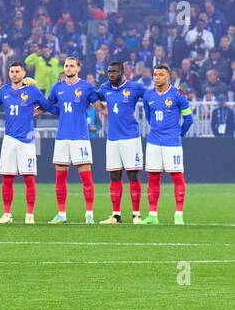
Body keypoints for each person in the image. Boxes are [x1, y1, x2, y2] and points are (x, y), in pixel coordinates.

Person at [0, 62, 55, 224]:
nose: (14, 74)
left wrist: (38, 111)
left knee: (29, 177)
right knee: (7, 178)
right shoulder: (4, 90)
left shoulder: (32, 90)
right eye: (11, 71)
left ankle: (29, 214)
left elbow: (48, 106)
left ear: (24, 73)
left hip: (27, 139)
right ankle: (7, 214)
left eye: (17, 71)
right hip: (9, 138)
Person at [46, 57, 101, 224]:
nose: (68, 68)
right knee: (60, 177)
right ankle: (61, 214)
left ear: (78, 69)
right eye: (66, 66)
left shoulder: (86, 87)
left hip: (80, 137)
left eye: (71, 66)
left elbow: (99, 106)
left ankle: (89, 214)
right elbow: (49, 105)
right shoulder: (57, 87)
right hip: (62, 137)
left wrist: (110, 112)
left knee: (85, 176)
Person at [141, 64, 193, 225]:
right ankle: (152, 215)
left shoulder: (178, 95)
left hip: (172, 143)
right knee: (153, 178)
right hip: (153, 142)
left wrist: (178, 134)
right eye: (155, 74)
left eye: (161, 74)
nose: (157, 77)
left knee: (177, 177)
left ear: (168, 76)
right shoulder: (148, 96)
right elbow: (149, 118)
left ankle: (178, 215)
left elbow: (188, 119)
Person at [95, 60, 145, 224]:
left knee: (132, 175)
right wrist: (101, 109)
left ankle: (136, 215)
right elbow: (91, 97)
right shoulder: (105, 88)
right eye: (109, 72)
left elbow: (152, 95)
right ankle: (115, 215)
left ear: (122, 72)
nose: (111, 74)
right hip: (112, 138)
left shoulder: (135, 87)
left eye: (114, 72)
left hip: (131, 137)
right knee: (114, 175)